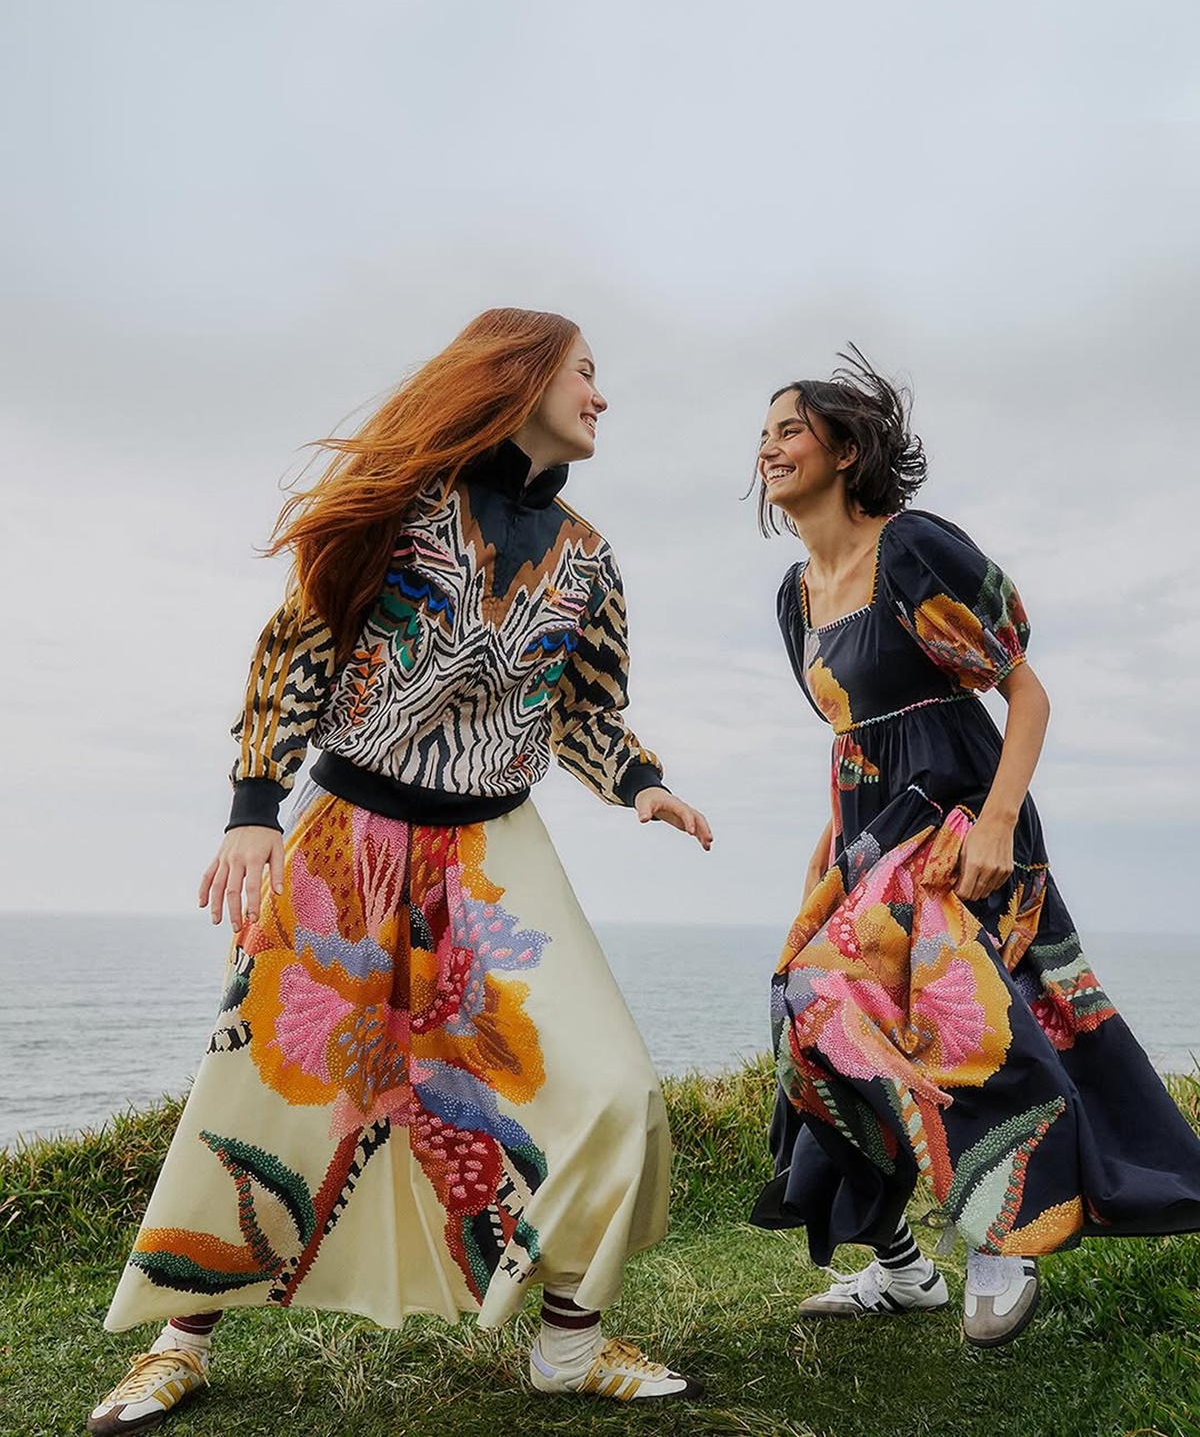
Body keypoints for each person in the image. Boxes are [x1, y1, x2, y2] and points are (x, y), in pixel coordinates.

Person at [87, 308, 712, 1435]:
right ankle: (178, 1344)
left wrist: (639, 784)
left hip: (496, 847)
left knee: (615, 1084)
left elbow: (586, 711)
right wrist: (251, 809)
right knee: (267, 1090)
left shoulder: (590, 558)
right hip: (352, 834)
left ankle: (569, 1343)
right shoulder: (397, 510)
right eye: (584, 372)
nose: (602, 396)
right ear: (516, 379)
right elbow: (298, 649)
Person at [749, 347, 1200, 1348]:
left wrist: (997, 822)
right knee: (814, 1019)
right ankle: (903, 1270)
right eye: (765, 430)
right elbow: (852, 733)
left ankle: (1002, 1244)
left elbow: (1024, 690)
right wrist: (828, 851)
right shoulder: (796, 596)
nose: (769, 444)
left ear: (847, 447)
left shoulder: (912, 549)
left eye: (790, 427)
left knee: (966, 1023)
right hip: (868, 830)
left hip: (960, 815)